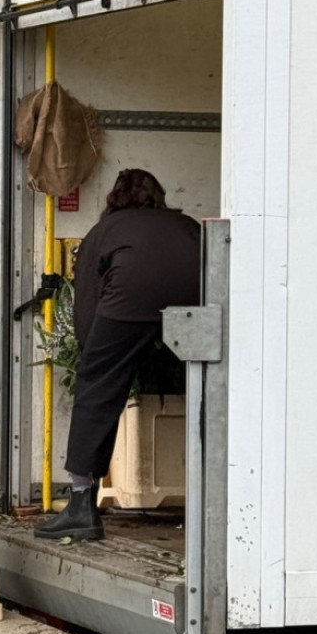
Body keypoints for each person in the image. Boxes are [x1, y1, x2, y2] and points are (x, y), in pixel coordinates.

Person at [35, 169, 201, 542]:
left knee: (96, 390)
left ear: (114, 198)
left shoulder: (104, 231)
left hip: (128, 305)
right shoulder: (187, 225)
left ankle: (81, 506)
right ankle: (219, 492)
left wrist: (91, 356)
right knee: (207, 386)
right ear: (157, 196)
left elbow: (87, 304)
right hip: (195, 306)